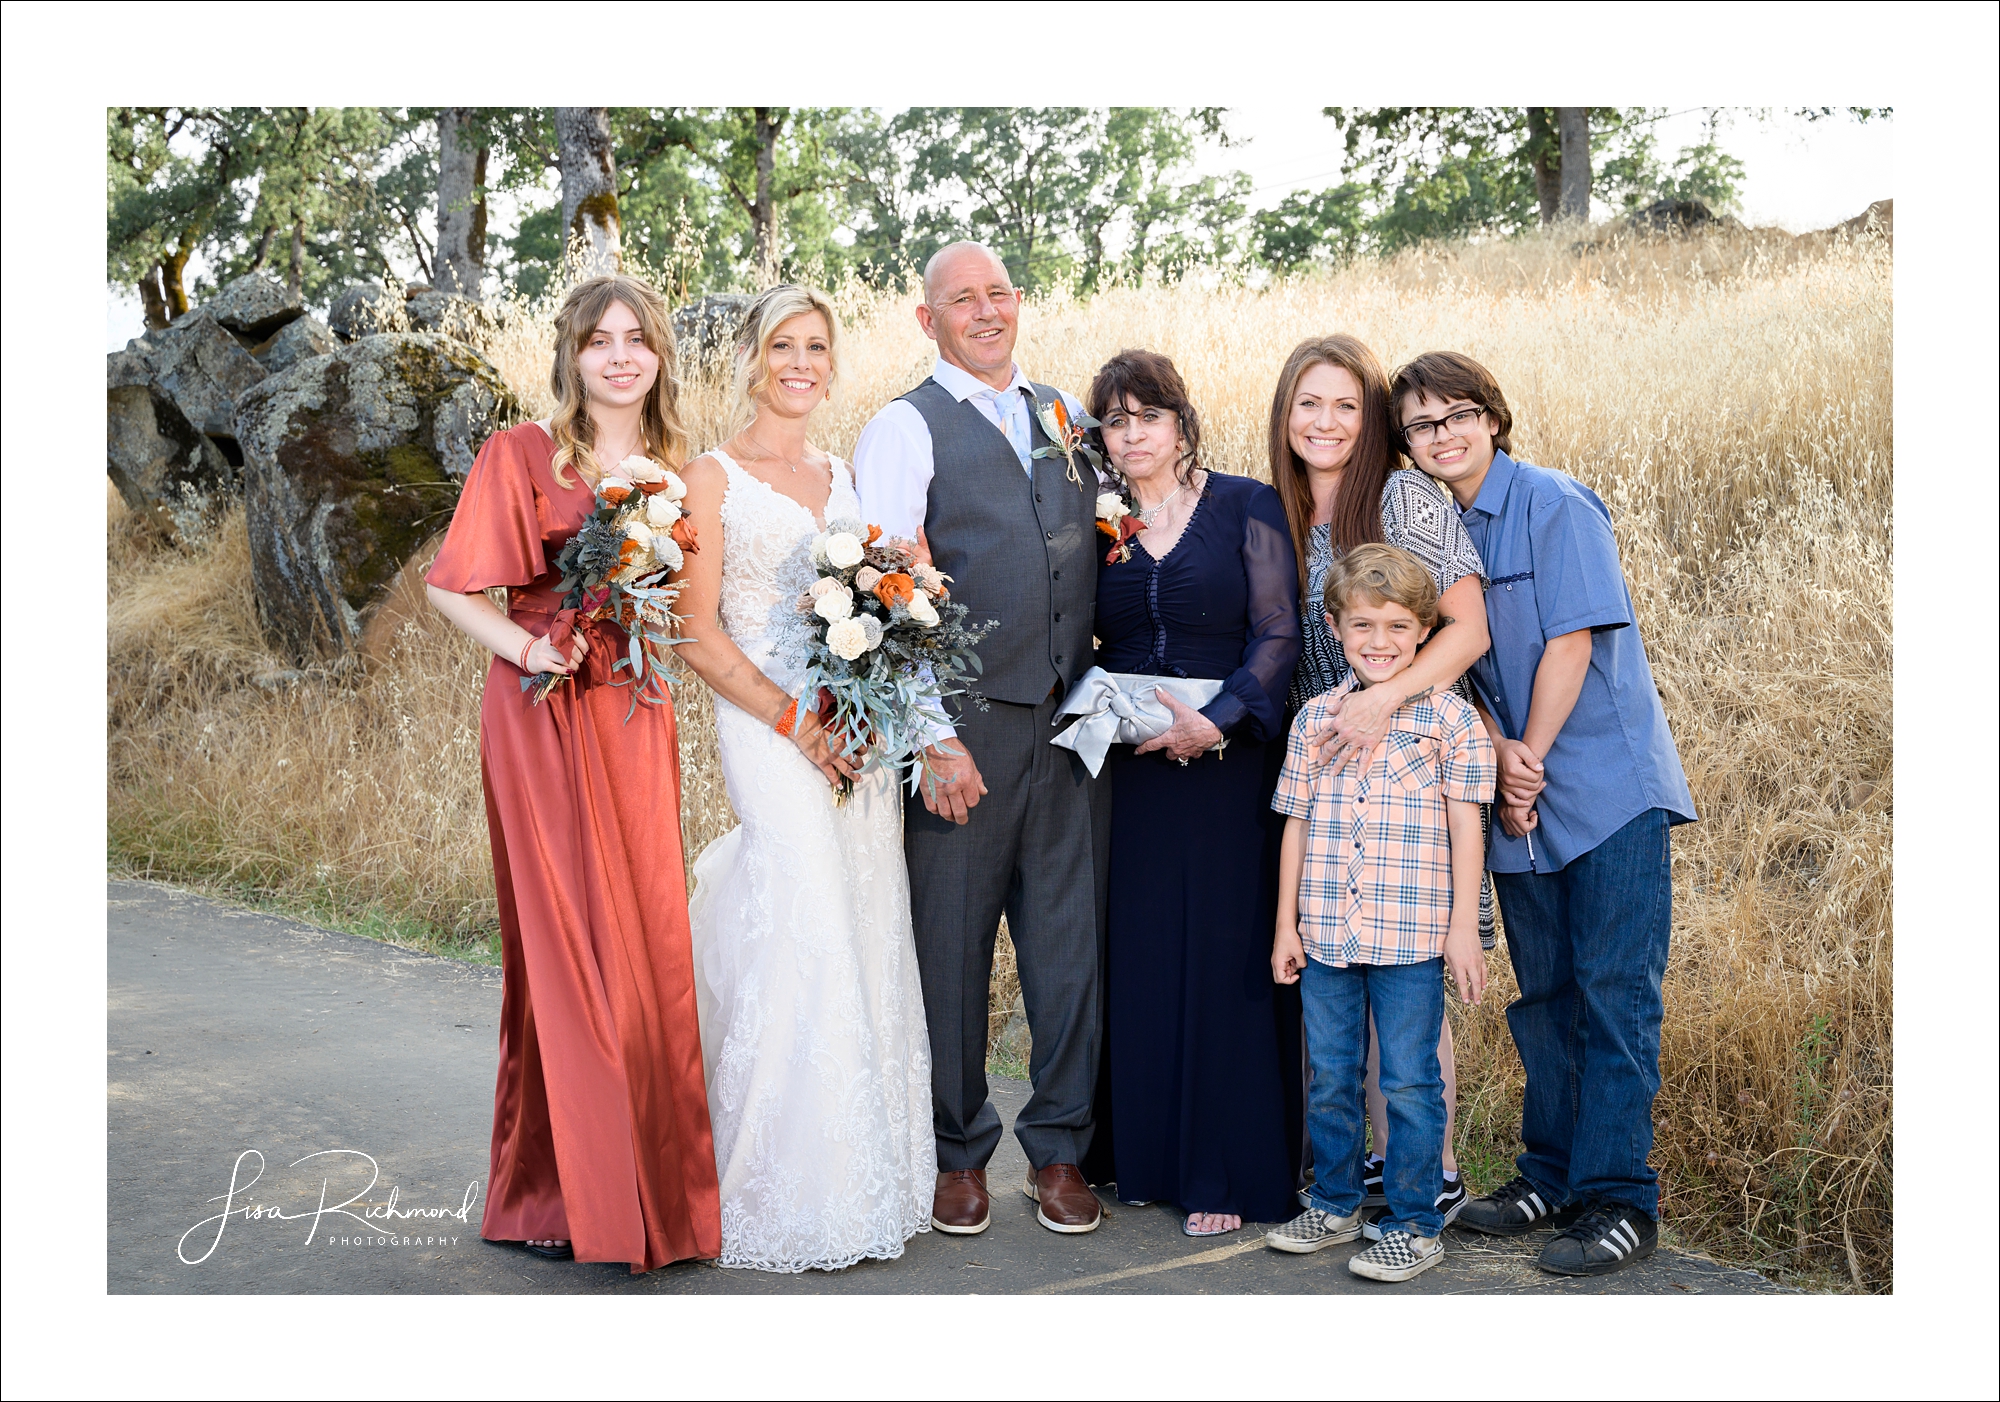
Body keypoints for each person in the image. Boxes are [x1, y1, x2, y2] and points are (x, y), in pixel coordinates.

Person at [424, 274, 720, 1272]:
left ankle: (652, 1191)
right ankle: (560, 1194)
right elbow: (449, 586)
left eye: (637, 338)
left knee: (642, 938)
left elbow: (688, 607)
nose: (620, 355)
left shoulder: (677, 468)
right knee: (562, 944)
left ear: (658, 356)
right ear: (572, 356)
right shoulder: (523, 454)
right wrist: (525, 647)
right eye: (600, 340)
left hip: (634, 712)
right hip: (541, 707)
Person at [1391, 350, 1696, 1276]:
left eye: (1456, 415)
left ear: (1492, 415)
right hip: (1519, 798)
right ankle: (1549, 1177)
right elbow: (1462, 658)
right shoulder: (1439, 534)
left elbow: (1571, 641)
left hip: (1601, 791)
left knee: (1613, 999)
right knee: (1546, 999)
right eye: (1420, 425)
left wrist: (1526, 759)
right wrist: (1500, 755)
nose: (1441, 436)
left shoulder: (1555, 503)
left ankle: (1618, 1203)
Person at [676, 285, 937, 1272]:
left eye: (816, 346)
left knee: (867, 918)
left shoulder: (842, 472)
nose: (800, 362)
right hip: (765, 725)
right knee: (804, 918)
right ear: (750, 357)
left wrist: (863, 706)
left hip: (852, 730)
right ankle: (785, 1190)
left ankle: (874, 1175)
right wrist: (797, 721)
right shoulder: (706, 480)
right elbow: (693, 630)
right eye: (782, 344)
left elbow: (873, 595)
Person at [852, 241, 1107, 1237]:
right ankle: (957, 1152)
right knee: (949, 950)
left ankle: (1061, 1151)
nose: (986, 310)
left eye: (999, 292)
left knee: (1067, 947)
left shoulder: (1066, 415)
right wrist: (931, 737)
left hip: (1072, 725)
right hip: (964, 728)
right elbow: (883, 592)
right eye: (962, 299)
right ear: (928, 320)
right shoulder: (902, 429)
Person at [1267, 334, 1492, 1223]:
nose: (1326, 423)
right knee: (1343, 977)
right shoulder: (1281, 509)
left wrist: (1382, 702)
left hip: (1408, 757)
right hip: (1328, 766)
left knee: (1407, 982)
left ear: (1371, 420)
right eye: (1308, 404)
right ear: (1285, 415)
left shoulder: (1401, 493)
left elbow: (1466, 628)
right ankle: (1359, 1172)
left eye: (1346, 405)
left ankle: (1426, 1168)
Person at [1081, 350, 1301, 1237]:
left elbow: (1279, 631)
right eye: (1115, 421)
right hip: (1131, 771)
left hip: (1226, 763)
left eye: (1148, 417)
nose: (1132, 436)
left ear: (1182, 422)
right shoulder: (1096, 521)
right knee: (1140, 953)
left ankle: (1225, 1164)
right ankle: (1143, 1156)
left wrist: (1223, 720)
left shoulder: (1246, 504)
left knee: (1224, 955)